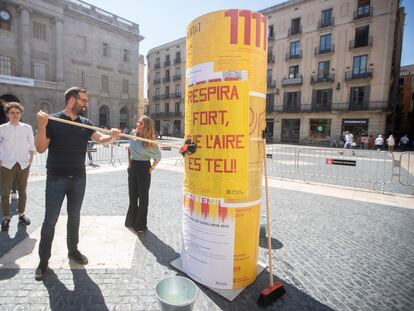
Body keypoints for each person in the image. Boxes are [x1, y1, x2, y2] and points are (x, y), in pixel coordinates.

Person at [34, 87, 121, 281]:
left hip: (79, 178)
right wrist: (41, 125)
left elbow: (101, 139)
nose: (86, 104)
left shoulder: (86, 123)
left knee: (74, 217)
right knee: (50, 221)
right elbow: (40, 148)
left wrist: (113, 136)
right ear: (72, 101)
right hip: (56, 178)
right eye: (83, 100)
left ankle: (73, 251)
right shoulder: (53, 121)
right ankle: (43, 261)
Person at [0, 102, 35, 232]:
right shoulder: (2, 128)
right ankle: (5, 217)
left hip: (23, 163)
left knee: (23, 191)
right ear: (8, 114)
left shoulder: (27, 128)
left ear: (21, 114)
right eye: (12, 113)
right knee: (4, 192)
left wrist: (30, 158)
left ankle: (21, 214)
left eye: (18, 113)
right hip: (6, 164)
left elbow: (31, 144)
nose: (15, 115)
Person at [125, 116, 161, 233]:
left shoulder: (150, 141)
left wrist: (151, 169)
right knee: (133, 195)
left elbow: (158, 157)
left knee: (143, 197)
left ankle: (140, 225)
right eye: (138, 122)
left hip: (144, 168)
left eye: (141, 124)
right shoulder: (132, 134)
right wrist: (130, 164)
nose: (138, 125)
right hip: (133, 167)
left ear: (146, 127)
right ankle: (131, 221)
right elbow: (129, 149)